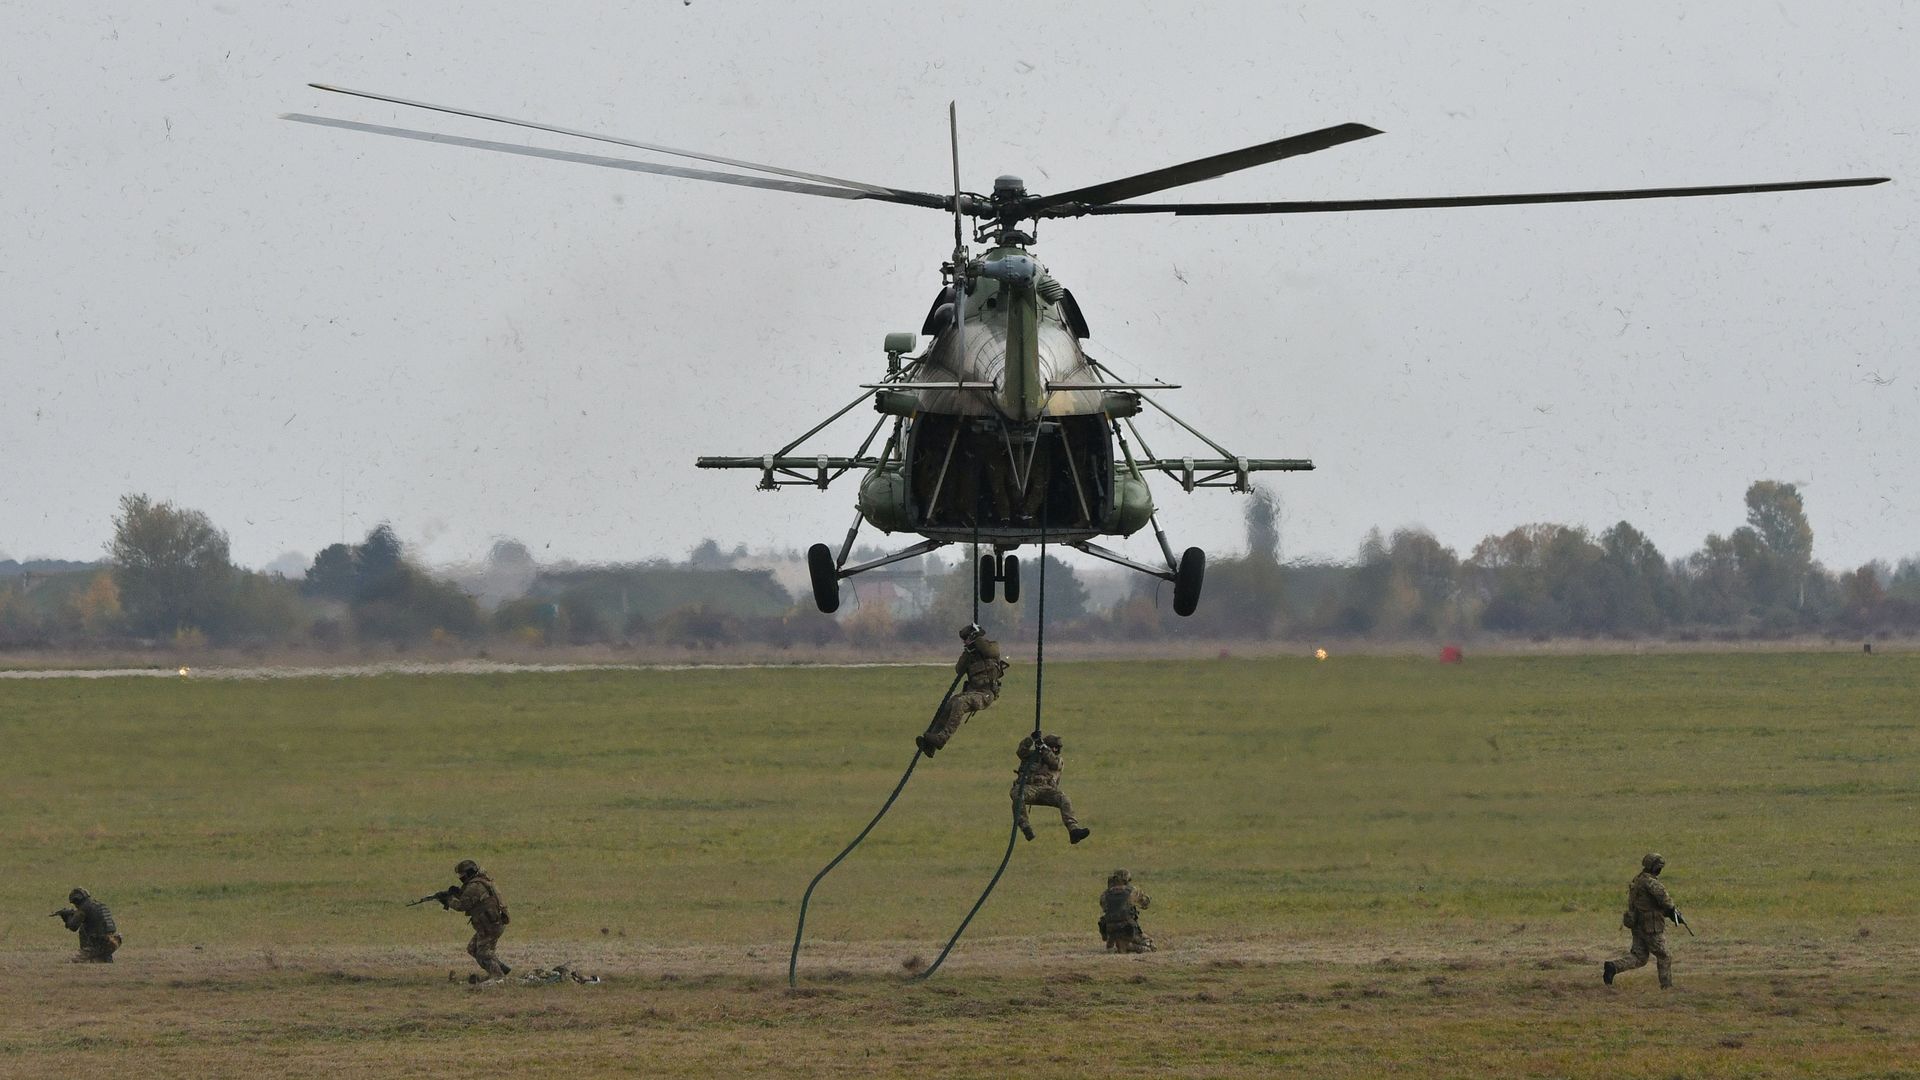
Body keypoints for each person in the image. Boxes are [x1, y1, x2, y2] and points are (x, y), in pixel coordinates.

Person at [916, 624, 1007, 757]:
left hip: (986, 694)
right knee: (950, 703)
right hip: (973, 691)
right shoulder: (970, 655)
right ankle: (932, 742)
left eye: (966, 639)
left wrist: (977, 640)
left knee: (960, 703)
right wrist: (967, 652)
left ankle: (942, 739)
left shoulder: (992, 647)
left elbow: (988, 651)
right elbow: (959, 669)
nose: (964, 642)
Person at [1605, 852, 1681, 989]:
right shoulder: (1652, 882)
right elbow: (1666, 902)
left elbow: (1645, 902)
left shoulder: (1637, 879)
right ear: (1655, 868)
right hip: (1650, 926)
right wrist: (1673, 912)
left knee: (1639, 957)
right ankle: (1667, 987)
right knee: (1664, 955)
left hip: (1637, 924)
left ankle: (1613, 967)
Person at [1012, 731, 1090, 844]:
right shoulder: (1032, 756)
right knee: (1018, 795)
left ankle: (1073, 830)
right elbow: (1021, 752)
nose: (1055, 751)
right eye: (1053, 748)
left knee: (1064, 799)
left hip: (1046, 790)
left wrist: (1043, 748)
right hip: (1029, 788)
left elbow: (1053, 762)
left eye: (1056, 749)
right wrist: (1031, 740)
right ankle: (1025, 827)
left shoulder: (1058, 761)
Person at [443, 859, 512, 983]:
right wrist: (457, 893)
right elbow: (473, 899)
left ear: (469, 873)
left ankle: (498, 977)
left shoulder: (476, 885)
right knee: (473, 948)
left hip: (491, 925)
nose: (461, 878)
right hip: (490, 923)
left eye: (462, 875)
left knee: (483, 953)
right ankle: (500, 967)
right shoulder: (480, 881)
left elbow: (462, 905)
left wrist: (448, 900)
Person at [52, 887, 122, 963]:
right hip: (115, 940)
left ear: (77, 901)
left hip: (98, 943)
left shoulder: (84, 908)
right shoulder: (100, 905)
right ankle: (105, 958)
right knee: (98, 959)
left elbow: (73, 927)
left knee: (71, 962)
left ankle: (98, 957)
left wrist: (67, 917)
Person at [1099, 869, 1154, 953]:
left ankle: (1114, 945)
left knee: (1111, 945)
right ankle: (1132, 946)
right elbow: (1145, 903)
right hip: (1127, 927)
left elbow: (1104, 907)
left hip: (1110, 928)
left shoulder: (1106, 893)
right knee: (1149, 943)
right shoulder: (1133, 890)